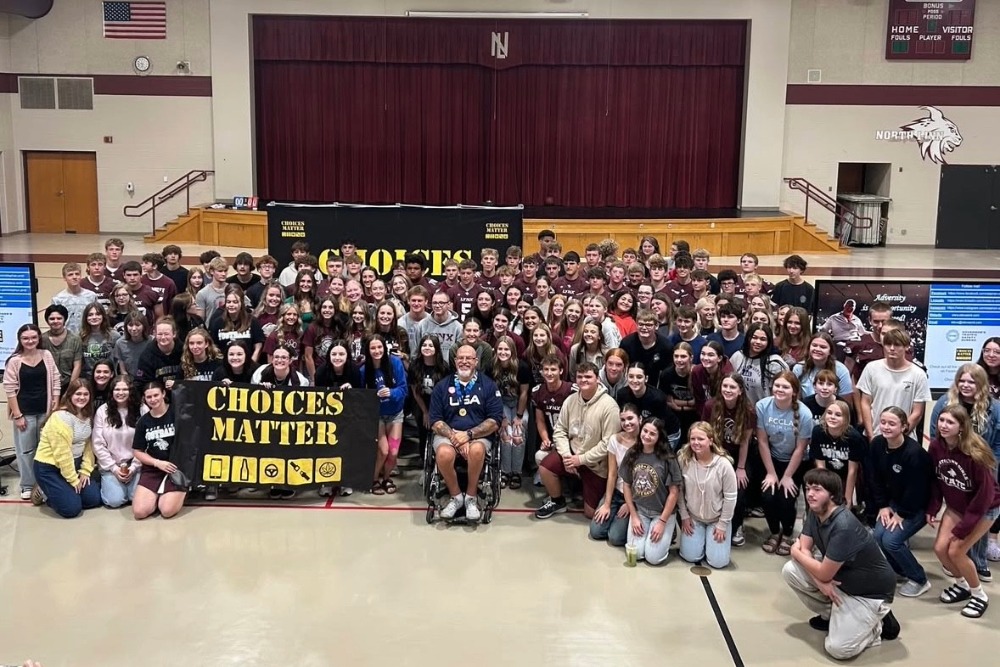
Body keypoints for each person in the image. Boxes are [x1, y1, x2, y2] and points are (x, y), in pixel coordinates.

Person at [783, 469, 899, 661]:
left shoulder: (844, 525)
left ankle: (876, 626)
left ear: (833, 495)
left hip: (869, 594)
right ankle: (835, 616)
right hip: (841, 583)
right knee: (790, 570)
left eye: (817, 489)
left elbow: (804, 555)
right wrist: (819, 580)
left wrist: (794, 552)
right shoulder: (815, 511)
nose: (810, 494)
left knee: (837, 649)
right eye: (808, 488)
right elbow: (806, 549)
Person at [928, 405, 1000, 618]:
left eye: (950, 422)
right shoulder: (935, 447)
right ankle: (963, 585)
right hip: (957, 505)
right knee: (941, 549)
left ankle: (979, 595)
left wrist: (964, 527)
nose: (943, 425)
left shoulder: (975, 453)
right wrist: (933, 507)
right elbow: (936, 480)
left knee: (956, 551)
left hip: (985, 509)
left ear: (962, 427)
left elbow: (985, 496)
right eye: (941, 420)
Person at [929, 363, 1000, 568]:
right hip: (955, 467)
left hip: (983, 466)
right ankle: (957, 562)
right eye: (962, 380)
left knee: (981, 512)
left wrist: (989, 465)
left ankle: (977, 562)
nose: (966, 385)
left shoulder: (993, 408)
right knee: (962, 511)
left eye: (972, 381)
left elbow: (997, 443)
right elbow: (936, 433)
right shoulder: (945, 401)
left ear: (982, 384)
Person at [428, 344, 504, 522]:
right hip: (449, 435)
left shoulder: (488, 385)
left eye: (468, 358)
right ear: (455, 362)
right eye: (460, 358)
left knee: (477, 450)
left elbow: (494, 421)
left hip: (478, 436)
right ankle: (456, 496)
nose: (464, 362)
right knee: (444, 453)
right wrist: (456, 438)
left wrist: (469, 435)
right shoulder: (442, 386)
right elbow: (435, 421)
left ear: (476, 361)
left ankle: (471, 497)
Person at [535, 362, 620, 520]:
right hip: (572, 455)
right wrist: (567, 456)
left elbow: (609, 444)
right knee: (545, 466)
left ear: (598, 380)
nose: (584, 380)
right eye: (580, 377)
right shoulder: (571, 400)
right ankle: (558, 501)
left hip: (596, 464)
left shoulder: (610, 407)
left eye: (588, 376)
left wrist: (580, 460)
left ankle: (610, 497)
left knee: (590, 514)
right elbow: (560, 430)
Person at [868, 406, 934, 598]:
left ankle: (920, 579)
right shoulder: (877, 444)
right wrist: (883, 505)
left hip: (917, 506)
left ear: (904, 427)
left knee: (891, 541)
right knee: (877, 536)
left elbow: (918, 490)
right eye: (883, 422)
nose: (886, 427)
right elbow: (875, 478)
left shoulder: (915, 454)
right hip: (894, 502)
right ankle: (900, 570)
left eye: (892, 423)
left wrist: (901, 514)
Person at [758, 371, 814, 556]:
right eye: (777, 385)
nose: (780, 389)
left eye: (785, 387)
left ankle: (788, 533)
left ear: (794, 391)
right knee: (767, 496)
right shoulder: (762, 406)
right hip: (772, 460)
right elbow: (763, 441)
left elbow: (800, 449)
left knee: (786, 498)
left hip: (796, 462)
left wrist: (788, 476)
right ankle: (774, 532)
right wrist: (771, 473)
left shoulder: (804, 414)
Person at [4, 324, 61, 500]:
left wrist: (55, 406)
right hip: (25, 413)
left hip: (45, 411)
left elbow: (56, 380)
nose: (30, 341)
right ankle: (27, 484)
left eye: (33, 338)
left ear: (39, 338)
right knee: (26, 450)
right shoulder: (14, 361)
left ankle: (44, 483)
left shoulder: (47, 355)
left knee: (45, 448)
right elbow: (10, 389)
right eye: (26, 338)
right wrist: (18, 415)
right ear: (20, 340)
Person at [31, 379, 102, 517]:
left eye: (85, 394)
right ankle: (44, 490)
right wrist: (73, 480)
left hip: (73, 464)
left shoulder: (87, 415)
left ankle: (63, 490)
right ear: (69, 395)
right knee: (71, 509)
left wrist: (86, 470)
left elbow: (88, 445)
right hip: (50, 467)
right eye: (78, 394)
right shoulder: (60, 418)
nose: (82, 397)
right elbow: (62, 455)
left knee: (93, 500)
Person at [703, 373, 757, 548]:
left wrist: (740, 468)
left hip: (738, 457)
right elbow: (705, 435)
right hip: (716, 454)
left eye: (732, 387)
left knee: (739, 489)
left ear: (740, 390)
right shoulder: (711, 406)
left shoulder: (748, 411)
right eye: (725, 386)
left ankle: (737, 525)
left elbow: (744, 443)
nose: (728, 390)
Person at [620, 417, 683, 566]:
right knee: (638, 554)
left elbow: (674, 492)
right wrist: (634, 515)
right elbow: (627, 485)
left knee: (653, 558)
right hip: (640, 511)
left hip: (661, 514)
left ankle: (669, 530)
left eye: (652, 434)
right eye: (645, 431)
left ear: (659, 437)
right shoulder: (632, 453)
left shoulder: (668, 458)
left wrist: (662, 522)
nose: (647, 436)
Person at [678, 422, 738, 569]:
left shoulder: (724, 465)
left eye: (700, 439)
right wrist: (684, 516)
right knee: (690, 557)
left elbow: (730, 497)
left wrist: (723, 524)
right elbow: (679, 490)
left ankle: (711, 544)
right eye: (693, 439)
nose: (696, 443)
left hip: (716, 519)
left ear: (710, 440)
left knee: (718, 563)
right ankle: (700, 542)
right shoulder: (683, 460)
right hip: (693, 518)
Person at [857, 328, 930, 439]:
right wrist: (871, 435)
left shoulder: (918, 374)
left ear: (906, 347)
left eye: (897, 345)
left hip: (905, 439)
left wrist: (899, 437)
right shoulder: (871, 368)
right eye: (888, 344)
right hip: (875, 436)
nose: (892, 348)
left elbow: (917, 412)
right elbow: (865, 403)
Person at [360, 334, 408, 495]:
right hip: (377, 415)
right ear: (368, 350)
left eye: (379, 347)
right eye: (373, 348)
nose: (377, 350)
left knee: (394, 452)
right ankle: (373, 480)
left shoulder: (395, 363)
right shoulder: (363, 369)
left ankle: (386, 478)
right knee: (384, 451)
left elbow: (404, 389)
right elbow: (360, 395)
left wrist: (392, 392)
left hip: (395, 413)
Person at [132, 380, 187, 519]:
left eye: (156, 395)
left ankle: (180, 491)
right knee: (140, 512)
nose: (153, 399)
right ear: (144, 399)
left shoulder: (178, 412)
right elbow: (137, 451)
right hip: (154, 468)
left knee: (167, 511)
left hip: (176, 467)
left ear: (163, 394)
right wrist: (157, 463)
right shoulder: (143, 422)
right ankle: (155, 496)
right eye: (149, 397)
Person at [590, 404, 641, 547]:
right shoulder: (614, 440)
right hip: (617, 493)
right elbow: (612, 474)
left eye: (630, 418)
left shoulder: (645, 443)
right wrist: (607, 503)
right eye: (623, 420)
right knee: (596, 531)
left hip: (634, 496)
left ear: (640, 419)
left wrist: (630, 504)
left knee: (615, 538)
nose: (627, 423)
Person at [92, 374, 143, 508]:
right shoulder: (102, 411)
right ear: (112, 391)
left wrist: (133, 468)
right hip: (111, 465)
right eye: (117, 389)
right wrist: (114, 468)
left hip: (136, 465)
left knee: (134, 498)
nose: (121, 393)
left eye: (125, 389)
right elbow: (98, 443)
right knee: (115, 501)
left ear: (131, 391)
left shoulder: (142, 409)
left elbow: (146, 443)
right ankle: (101, 481)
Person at [810, 401, 866, 510]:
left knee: (844, 506)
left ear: (846, 419)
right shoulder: (818, 432)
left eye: (838, 415)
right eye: (829, 413)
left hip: (846, 476)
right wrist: (825, 491)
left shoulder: (854, 437)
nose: (832, 417)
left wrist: (848, 499)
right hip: (827, 474)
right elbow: (820, 466)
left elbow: (852, 471)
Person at [493, 336, 532, 490]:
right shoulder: (493, 367)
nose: (503, 352)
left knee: (518, 433)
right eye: (500, 349)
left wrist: (519, 416)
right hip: (500, 403)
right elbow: (493, 394)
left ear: (512, 351)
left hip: (517, 404)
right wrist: (501, 417)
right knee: (505, 433)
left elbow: (524, 393)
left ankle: (516, 471)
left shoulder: (521, 367)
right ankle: (505, 471)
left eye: (506, 349)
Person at [729, 323, 788, 405]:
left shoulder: (775, 363)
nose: (758, 342)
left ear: (769, 341)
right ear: (748, 338)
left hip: (764, 411)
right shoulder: (737, 357)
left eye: (763, 339)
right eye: (754, 338)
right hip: (740, 411)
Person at [41, 304, 82, 392]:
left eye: (59, 318)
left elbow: (77, 366)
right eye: (52, 319)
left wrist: (70, 389)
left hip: (68, 385)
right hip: (46, 385)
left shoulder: (75, 339)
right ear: (47, 321)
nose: (55, 321)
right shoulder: (41, 340)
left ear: (64, 320)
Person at [51, 261, 98, 333]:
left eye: (77, 274)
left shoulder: (91, 296)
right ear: (64, 278)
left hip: (88, 336)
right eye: (70, 275)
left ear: (81, 276)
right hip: (67, 338)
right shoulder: (58, 299)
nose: (74, 277)